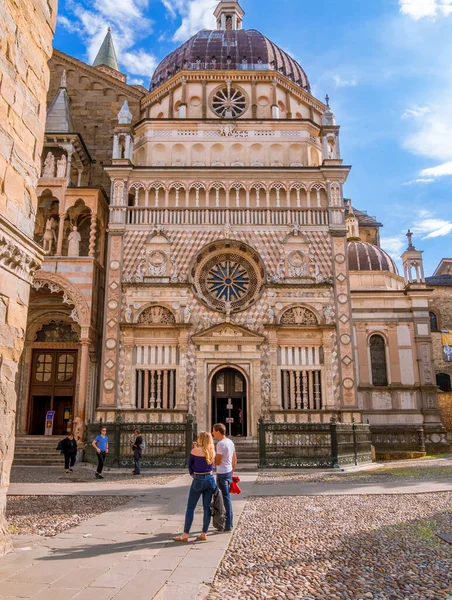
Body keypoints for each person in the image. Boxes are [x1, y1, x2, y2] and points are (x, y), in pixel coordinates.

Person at [173, 432, 216, 542]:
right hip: (210, 480)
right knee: (207, 507)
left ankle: (186, 534)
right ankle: (204, 533)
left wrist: (193, 475)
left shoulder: (194, 451)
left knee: (191, 507)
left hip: (198, 479)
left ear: (200, 439)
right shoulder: (212, 451)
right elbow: (212, 465)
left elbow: (190, 466)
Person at [213, 423, 237, 532]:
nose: (212, 433)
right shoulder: (230, 442)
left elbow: (218, 461)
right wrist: (231, 472)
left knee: (222, 499)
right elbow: (234, 459)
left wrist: (212, 460)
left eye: (213, 430)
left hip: (222, 474)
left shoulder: (220, 444)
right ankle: (228, 522)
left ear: (218, 431)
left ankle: (227, 524)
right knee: (226, 499)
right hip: (228, 472)